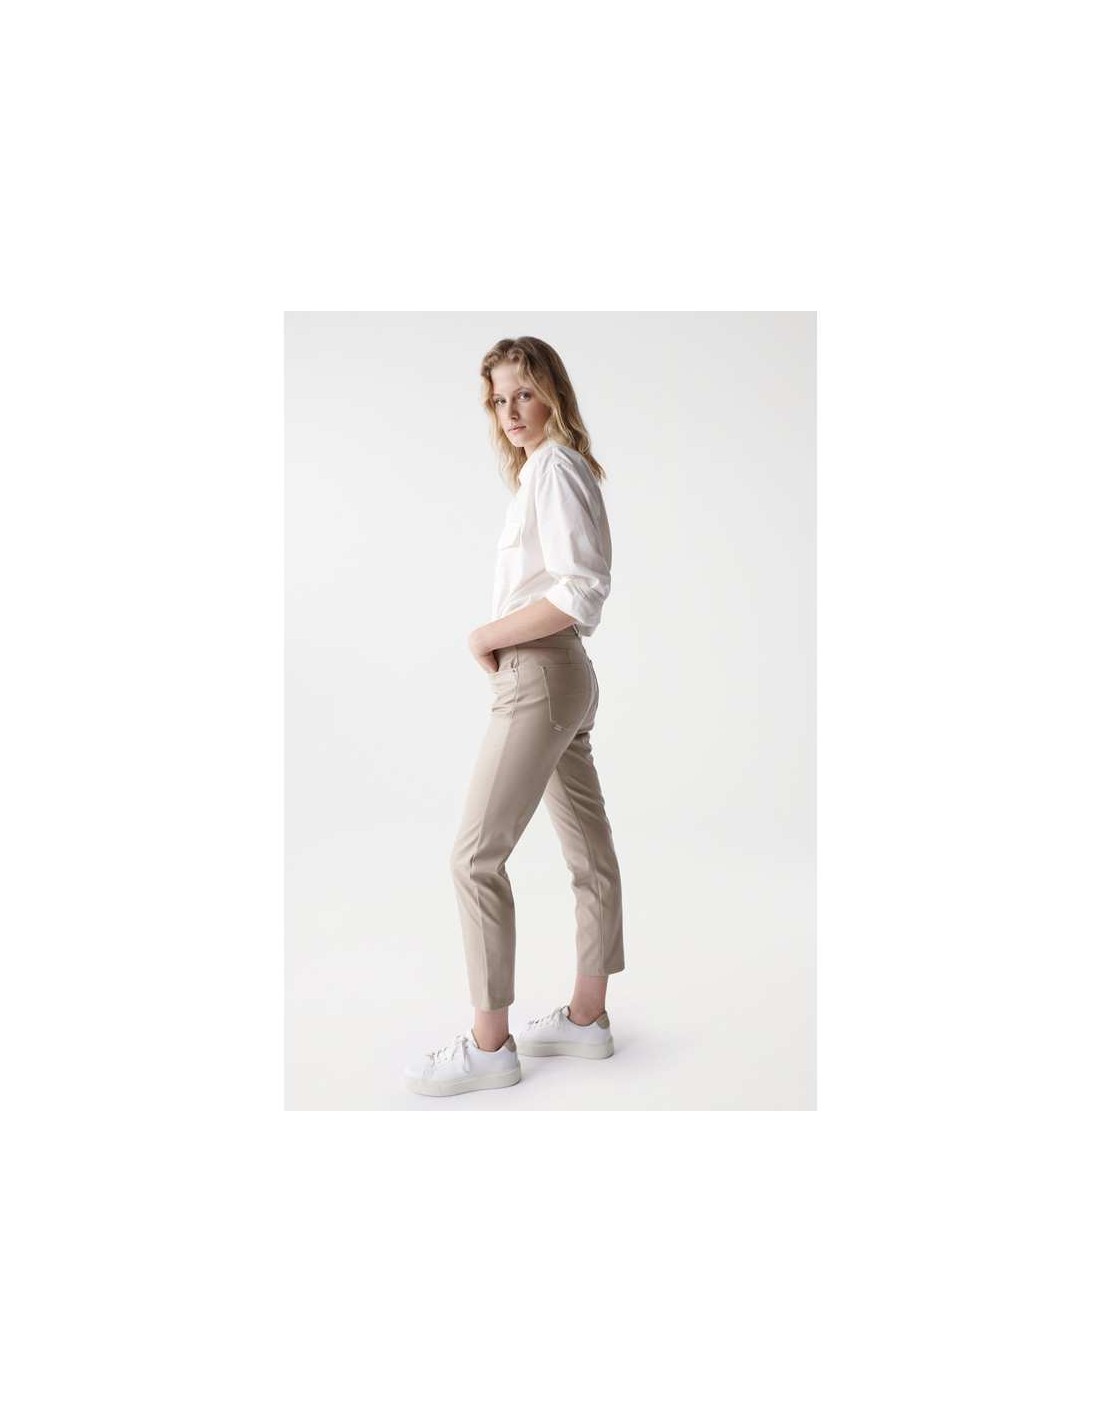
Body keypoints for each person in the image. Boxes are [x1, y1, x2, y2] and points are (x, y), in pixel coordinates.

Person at [404, 336, 626, 1097]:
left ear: (552, 392)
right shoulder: (554, 469)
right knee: (588, 852)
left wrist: (486, 635)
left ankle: (489, 1045)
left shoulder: (554, 468)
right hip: (564, 674)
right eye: (499, 400)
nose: (510, 412)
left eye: (524, 393)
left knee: (475, 857)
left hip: (541, 674)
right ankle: (587, 1019)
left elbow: (581, 588)